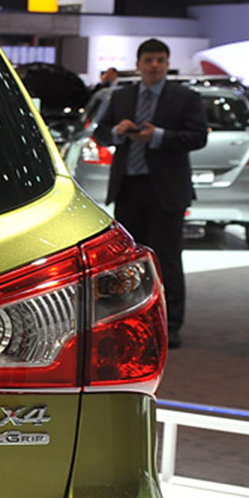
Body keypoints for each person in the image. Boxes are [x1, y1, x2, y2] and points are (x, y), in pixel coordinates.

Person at [91, 38, 208, 349]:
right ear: (138, 64)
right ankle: (127, 324)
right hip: (129, 187)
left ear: (167, 64)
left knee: (167, 259)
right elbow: (100, 133)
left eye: (160, 60)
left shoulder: (185, 97)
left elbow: (198, 137)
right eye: (149, 60)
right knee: (127, 262)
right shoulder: (121, 96)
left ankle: (171, 325)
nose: (154, 65)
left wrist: (158, 137)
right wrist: (116, 132)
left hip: (167, 190)